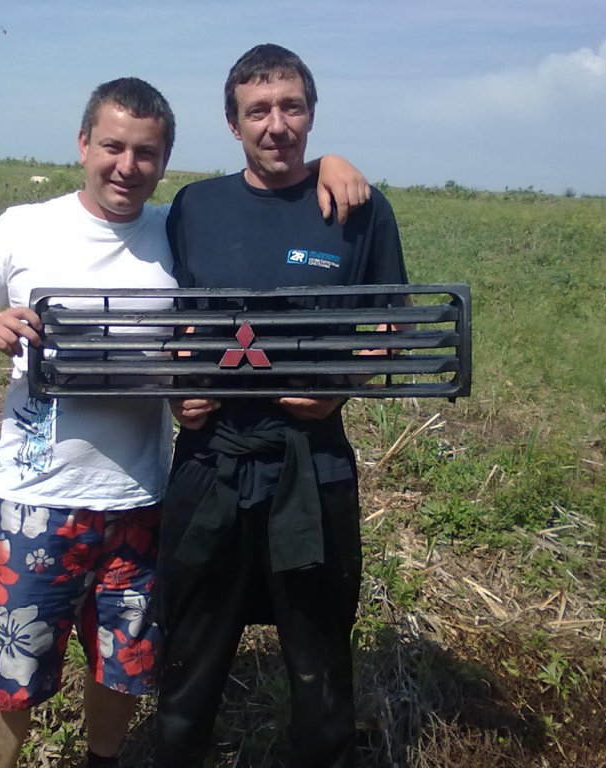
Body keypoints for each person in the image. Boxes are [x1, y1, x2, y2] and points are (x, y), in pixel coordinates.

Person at [0, 76, 372, 768]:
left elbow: (253, 221)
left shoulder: (175, 229)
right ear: (83, 144)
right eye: (112, 147)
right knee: (14, 671)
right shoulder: (24, 226)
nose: (126, 166)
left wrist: (329, 164)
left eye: (145, 153)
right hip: (35, 498)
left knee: (125, 665)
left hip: (141, 498)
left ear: (164, 160)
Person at [154, 44, 409, 768]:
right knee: (187, 664)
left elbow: (393, 330)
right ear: (232, 124)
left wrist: (341, 385)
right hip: (208, 463)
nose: (276, 125)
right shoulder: (195, 207)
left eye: (291, 107)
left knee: (320, 662)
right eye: (258, 110)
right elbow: (171, 326)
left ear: (312, 114)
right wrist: (176, 390)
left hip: (311, 466)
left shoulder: (357, 210)